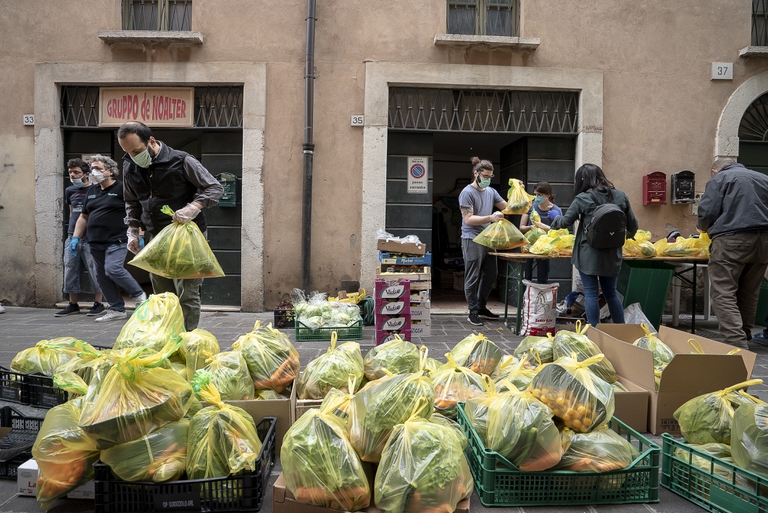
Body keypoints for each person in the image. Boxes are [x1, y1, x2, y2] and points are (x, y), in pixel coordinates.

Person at [118, 121, 224, 331]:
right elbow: (131, 201)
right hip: (156, 236)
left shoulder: (182, 160)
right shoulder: (130, 165)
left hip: (187, 236)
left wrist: (192, 208)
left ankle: (186, 337)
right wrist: (132, 231)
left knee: (187, 293)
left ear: (151, 141)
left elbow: (214, 187)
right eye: (128, 152)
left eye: (137, 151)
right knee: (162, 294)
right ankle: (168, 335)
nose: (133, 156)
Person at [551, 163, 638, 327]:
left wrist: (554, 221)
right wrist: (617, 239)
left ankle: (594, 332)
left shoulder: (583, 198)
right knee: (611, 293)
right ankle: (621, 330)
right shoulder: (621, 196)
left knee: (590, 293)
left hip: (588, 254)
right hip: (612, 254)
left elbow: (565, 222)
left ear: (582, 180)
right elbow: (633, 226)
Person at [697, 157, 768, 348]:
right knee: (749, 291)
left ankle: (736, 342)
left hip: (731, 239)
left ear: (715, 170)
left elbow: (707, 212)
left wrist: (703, 227)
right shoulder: (763, 178)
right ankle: (744, 333)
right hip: (764, 241)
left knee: (723, 291)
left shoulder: (720, 179)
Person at [71, 156, 147, 322]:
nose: (93, 172)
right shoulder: (92, 191)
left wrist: (140, 234)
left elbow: (137, 211)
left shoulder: (122, 188)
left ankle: (140, 296)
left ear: (110, 171)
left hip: (117, 239)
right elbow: (84, 216)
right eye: (92, 168)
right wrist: (75, 237)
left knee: (113, 268)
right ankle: (116, 309)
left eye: (98, 168)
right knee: (101, 276)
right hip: (95, 241)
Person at [459, 157, 508, 326]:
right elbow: (468, 220)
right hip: (472, 238)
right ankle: (472, 311)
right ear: (476, 173)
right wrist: (490, 217)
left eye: (490, 177)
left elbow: (507, 207)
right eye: (485, 176)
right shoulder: (467, 193)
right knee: (472, 276)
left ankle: (481, 307)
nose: (487, 179)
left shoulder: (491, 192)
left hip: (488, 238)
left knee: (492, 274)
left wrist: (519, 192)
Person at [55, 159, 105, 317]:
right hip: (73, 236)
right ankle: (73, 304)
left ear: (86, 174)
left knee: (95, 270)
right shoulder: (69, 190)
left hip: (91, 238)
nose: (72, 175)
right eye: (70, 172)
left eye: (76, 172)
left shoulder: (96, 190)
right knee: (70, 269)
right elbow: (72, 212)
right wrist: (73, 234)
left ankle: (98, 303)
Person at [519, 181, 562, 284]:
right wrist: (530, 227)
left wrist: (545, 227)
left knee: (543, 276)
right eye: (535, 194)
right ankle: (526, 294)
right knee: (526, 276)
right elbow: (521, 228)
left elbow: (560, 232)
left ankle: (541, 294)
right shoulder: (530, 207)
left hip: (545, 248)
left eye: (539, 195)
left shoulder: (556, 210)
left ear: (547, 195)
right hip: (528, 245)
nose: (536, 197)